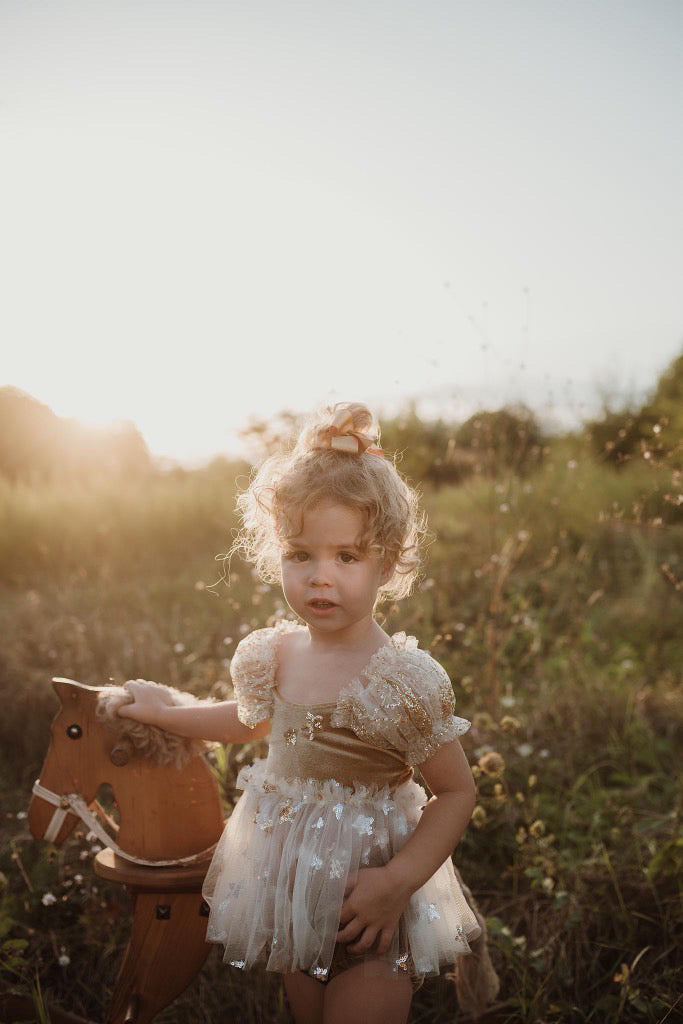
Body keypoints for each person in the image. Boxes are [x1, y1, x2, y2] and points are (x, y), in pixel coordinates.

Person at [118, 402, 487, 1024]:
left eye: (347, 557)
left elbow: (456, 792)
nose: (320, 578)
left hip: (369, 906)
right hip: (291, 895)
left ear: (386, 564)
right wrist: (167, 713)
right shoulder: (277, 655)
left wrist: (397, 882)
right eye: (300, 555)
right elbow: (249, 721)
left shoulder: (399, 679)